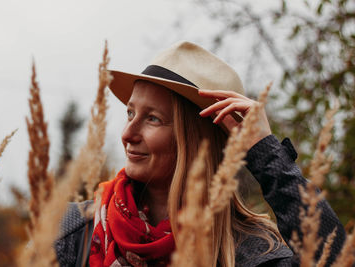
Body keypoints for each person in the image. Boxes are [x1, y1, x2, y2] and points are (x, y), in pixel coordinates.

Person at [55, 41, 346, 267]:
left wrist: (267, 153)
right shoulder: (72, 231)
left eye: (152, 118)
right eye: (130, 113)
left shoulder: (253, 252)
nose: (127, 134)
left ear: (196, 142)